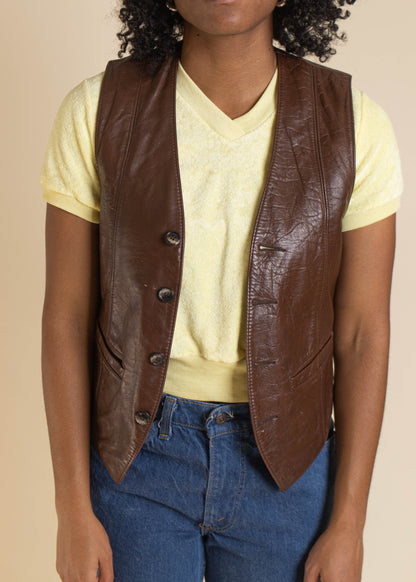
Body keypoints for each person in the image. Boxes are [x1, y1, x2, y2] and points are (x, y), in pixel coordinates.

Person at [40, 1, 403, 581]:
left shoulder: (354, 123)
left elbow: (362, 333)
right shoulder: (98, 110)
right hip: (135, 460)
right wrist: (70, 510)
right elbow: (67, 317)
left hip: (289, 467)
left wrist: (350, 522)